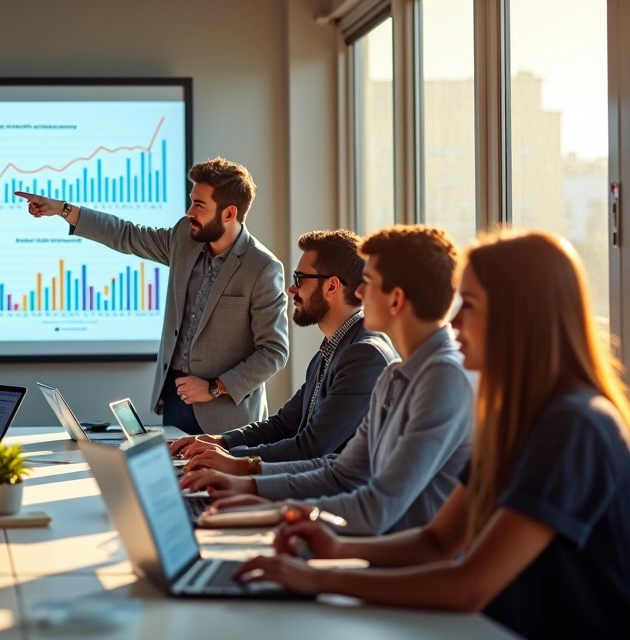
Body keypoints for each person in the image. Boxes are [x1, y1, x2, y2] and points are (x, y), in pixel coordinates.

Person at [233, 231, 630, 639]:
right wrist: (338, 550)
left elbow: (469, 585)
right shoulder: (516, 417)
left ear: (518, 316)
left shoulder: (573, 426)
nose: (454, 322)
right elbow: (436, 540)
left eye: (469, 306)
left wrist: (320, 579)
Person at [181, 226, 472, 535]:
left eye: (368, 283)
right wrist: (247, 483)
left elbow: (376, 509)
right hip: (368, 547)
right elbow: (341, 473)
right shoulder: (395, 374)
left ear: (396, 299)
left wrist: (265, 504)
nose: (358, 292)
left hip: (392, 562)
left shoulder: (442, 377)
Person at [17, 157, 288, 435]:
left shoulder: (263, 268)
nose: (189, 211)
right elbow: (127, 235)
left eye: (199, 205)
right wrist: (63, 209)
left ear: (229, 213)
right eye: (191, 200)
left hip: (226, 415)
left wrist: (214, 387)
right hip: (174, 399)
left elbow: (274, 351)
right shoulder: (185, 236)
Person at [168, 230, 396, 469]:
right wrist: (220, 442)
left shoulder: (364, 355)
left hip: (333, 501)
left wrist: (233, 461)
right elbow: (283, 425)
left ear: (331, 286)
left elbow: (312, 448)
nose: (291, 290)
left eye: (299, 279)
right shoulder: (329, 352)